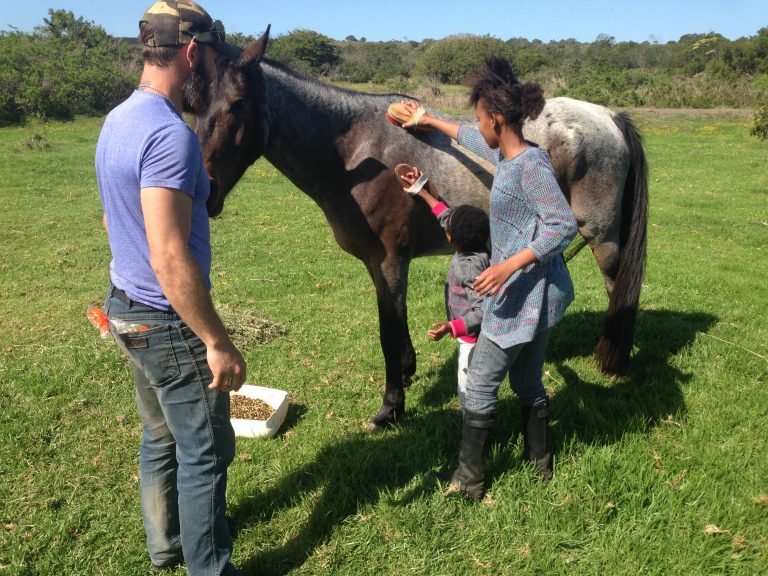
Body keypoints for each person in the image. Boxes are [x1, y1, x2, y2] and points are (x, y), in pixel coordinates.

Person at [95, 2, 244, 573]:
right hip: (165, 321)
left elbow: (116, 219)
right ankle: (209, 568)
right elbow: (169, 256)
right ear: (189, 53)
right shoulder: (168, 135)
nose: (209, 69)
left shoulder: (117, 120)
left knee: (159, 435)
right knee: (205, 452)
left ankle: (165, 547)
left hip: (124, 308)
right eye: (208, 57)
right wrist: (216, 340)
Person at [399, 57, 579, 500]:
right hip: (543, 295)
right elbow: (471, 141)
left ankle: (469, 480)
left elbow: (562, 224)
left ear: (496, 119)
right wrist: (431, 121)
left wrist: (508, 265)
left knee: (479, 385)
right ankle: (541, 463)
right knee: (528, 382)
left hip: (521, 296)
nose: (477, 126)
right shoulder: (513, 154)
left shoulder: (530, 168)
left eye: (480, 119)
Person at [399, 167, 490, 410]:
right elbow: (445, 216)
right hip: (471, 333)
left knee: (468, 382)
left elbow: (482, 310)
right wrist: (423, 192)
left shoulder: (470, 268)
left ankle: (474, 420)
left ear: (450, 238)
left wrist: (453, 326)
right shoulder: (479, 247)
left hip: (472, 337)